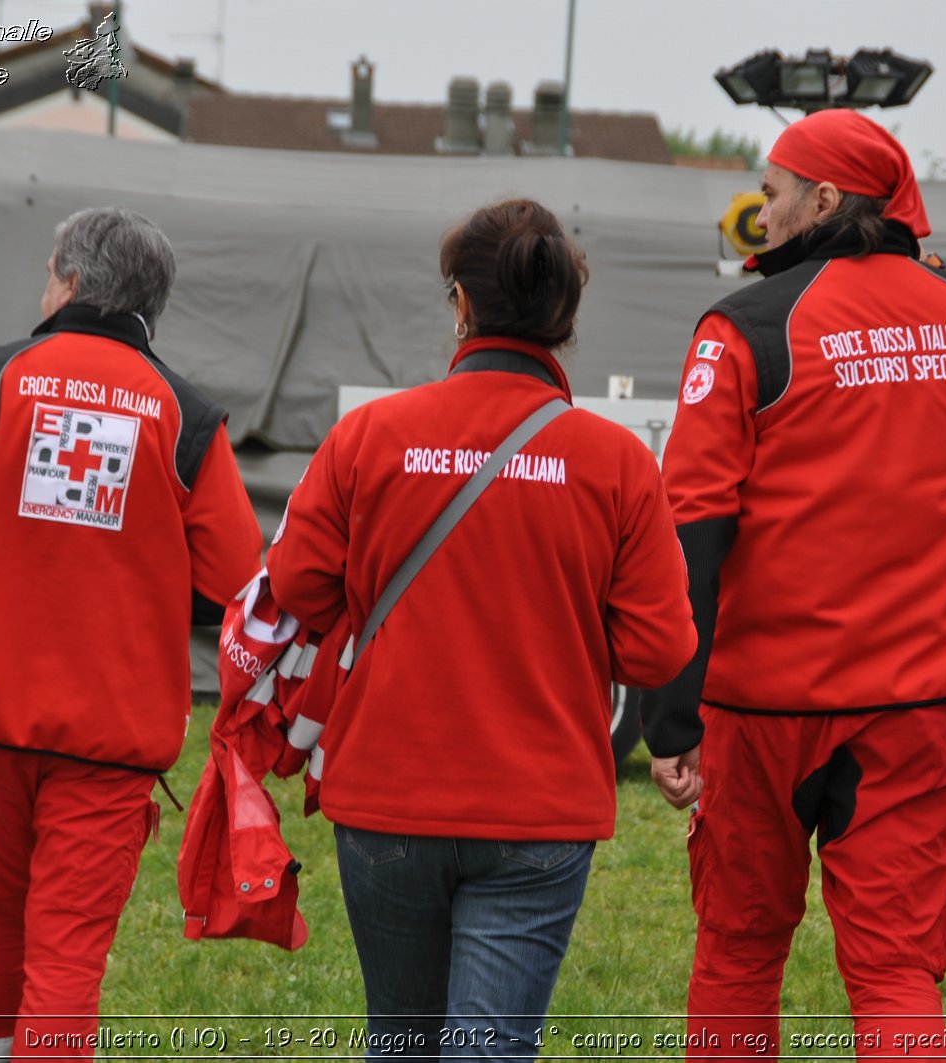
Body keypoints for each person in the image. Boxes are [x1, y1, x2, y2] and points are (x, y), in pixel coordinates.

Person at [639, 109, 946, 1060]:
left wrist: (669, 715)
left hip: (762, 703)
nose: (759, 213)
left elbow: (690, 529)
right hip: (926, 700)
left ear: (824, 200)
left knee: (739, 948)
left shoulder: (744, 327)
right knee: (896, 969)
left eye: (772, 193)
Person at [266, 198, 696, 1058]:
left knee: (400, 1039)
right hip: (537, 809)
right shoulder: (617, 463)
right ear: (564, 318)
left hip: (387, 794)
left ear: (460, 304)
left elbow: (297, 586)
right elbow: (658, 648)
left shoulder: (368, 437)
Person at [0, 206, 264, 1060]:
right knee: (66, 970)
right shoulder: (187, 419)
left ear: (70, 283)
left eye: (48, 272)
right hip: (110, 747)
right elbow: (236, 585)